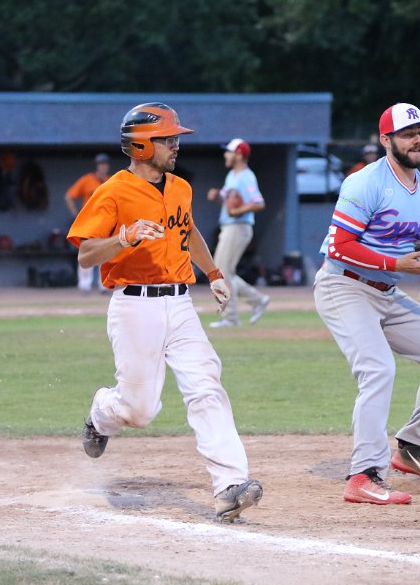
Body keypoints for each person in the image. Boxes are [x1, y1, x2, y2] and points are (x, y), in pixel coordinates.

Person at [68, 103, 263, 523]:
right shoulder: (113, 191)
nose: (176, 145)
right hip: (133, 305)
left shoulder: (179, 187)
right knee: (139, 411)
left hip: (180, 302)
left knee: (206, 385)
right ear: (141, 145)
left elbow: (187, 230)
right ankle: (101, 413)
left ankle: (230, 486)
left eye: (175, 138)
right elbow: (86, 254)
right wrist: (124, 238)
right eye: (167, 139)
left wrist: (214, 273)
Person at [313, 102, 420, 506]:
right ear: (386, 140)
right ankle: (363, 475)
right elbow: (339, 246)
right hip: (344, 286)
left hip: (386, 292)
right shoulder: (364, 183)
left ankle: (412, 448)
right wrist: (395, 263)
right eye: (407, 134)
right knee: (378, 368)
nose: (417, 140)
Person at [206, 138, 270, 327]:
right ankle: (257, 300)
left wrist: (238, 211)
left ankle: (231, 318)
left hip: (238, 226)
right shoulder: (232, 175)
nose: (225, 155)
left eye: (229, 151)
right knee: (226, 272)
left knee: (222, 272)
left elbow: (259, 203)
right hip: (230, 226)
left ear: (239, 155)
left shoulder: (246, 176)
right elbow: (228, 202)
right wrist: (217, 197)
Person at [64, 153, 112, 292]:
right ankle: (84, 284)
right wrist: (76, 214)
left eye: (105, 164)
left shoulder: (111, 181)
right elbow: (69, 196)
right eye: (101, 164)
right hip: (89, 221)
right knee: (87, 251)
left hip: (106, 221)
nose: (103, 167)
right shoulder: (87, 180)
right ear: (97, 166)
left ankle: (104, 284)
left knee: (105, 251)